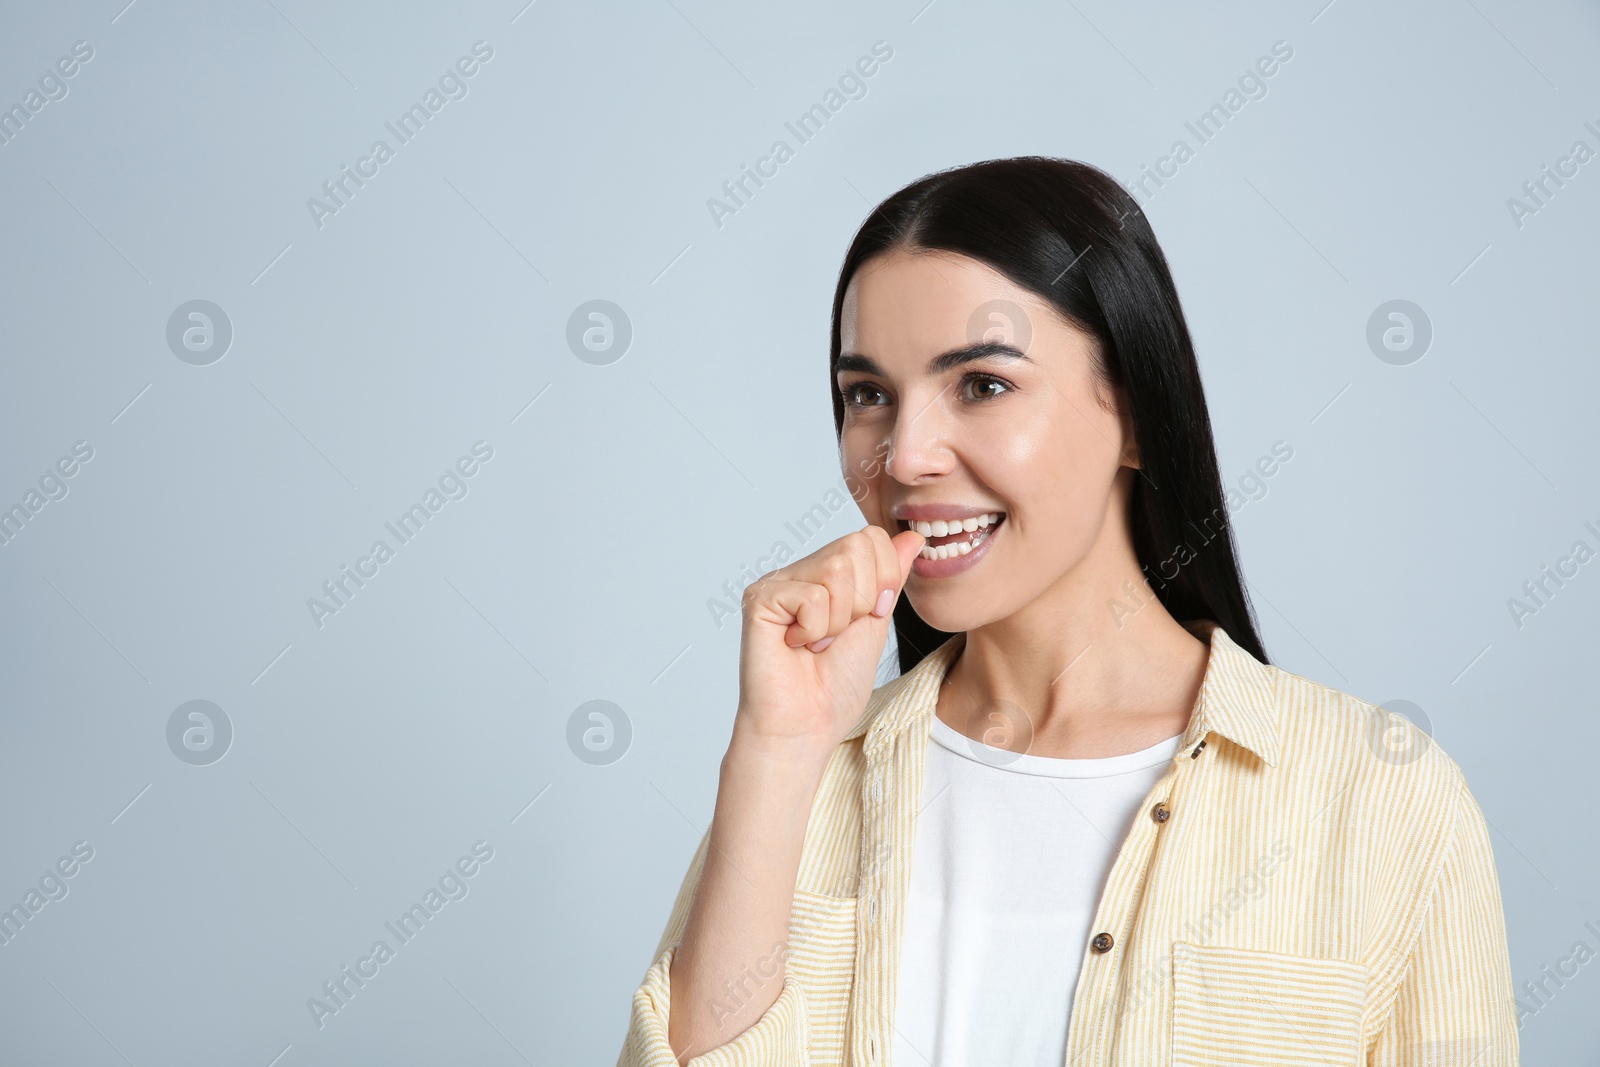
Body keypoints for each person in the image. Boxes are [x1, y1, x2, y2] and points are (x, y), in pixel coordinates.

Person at [616, 156, 1519, 1066]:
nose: (905, 455)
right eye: (869, 395)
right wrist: (774, 755)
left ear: (1133, 411)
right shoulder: (801, 780)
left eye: (981, 384)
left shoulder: (1385, 799)